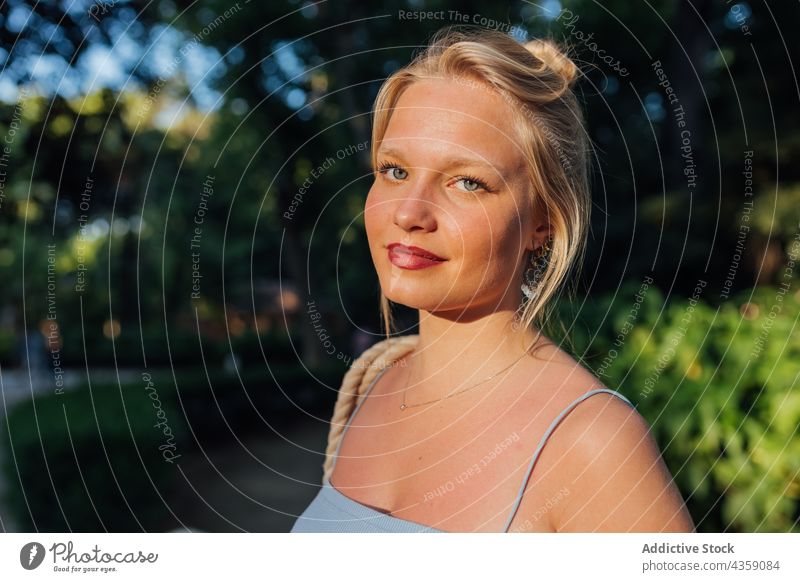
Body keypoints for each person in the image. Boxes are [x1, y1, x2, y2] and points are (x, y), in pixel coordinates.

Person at [291, 25, 695, 533]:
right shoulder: (375, 380)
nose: (410, 213)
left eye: (467, 182)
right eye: (394, 171)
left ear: (542, 222)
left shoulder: (590, 441)